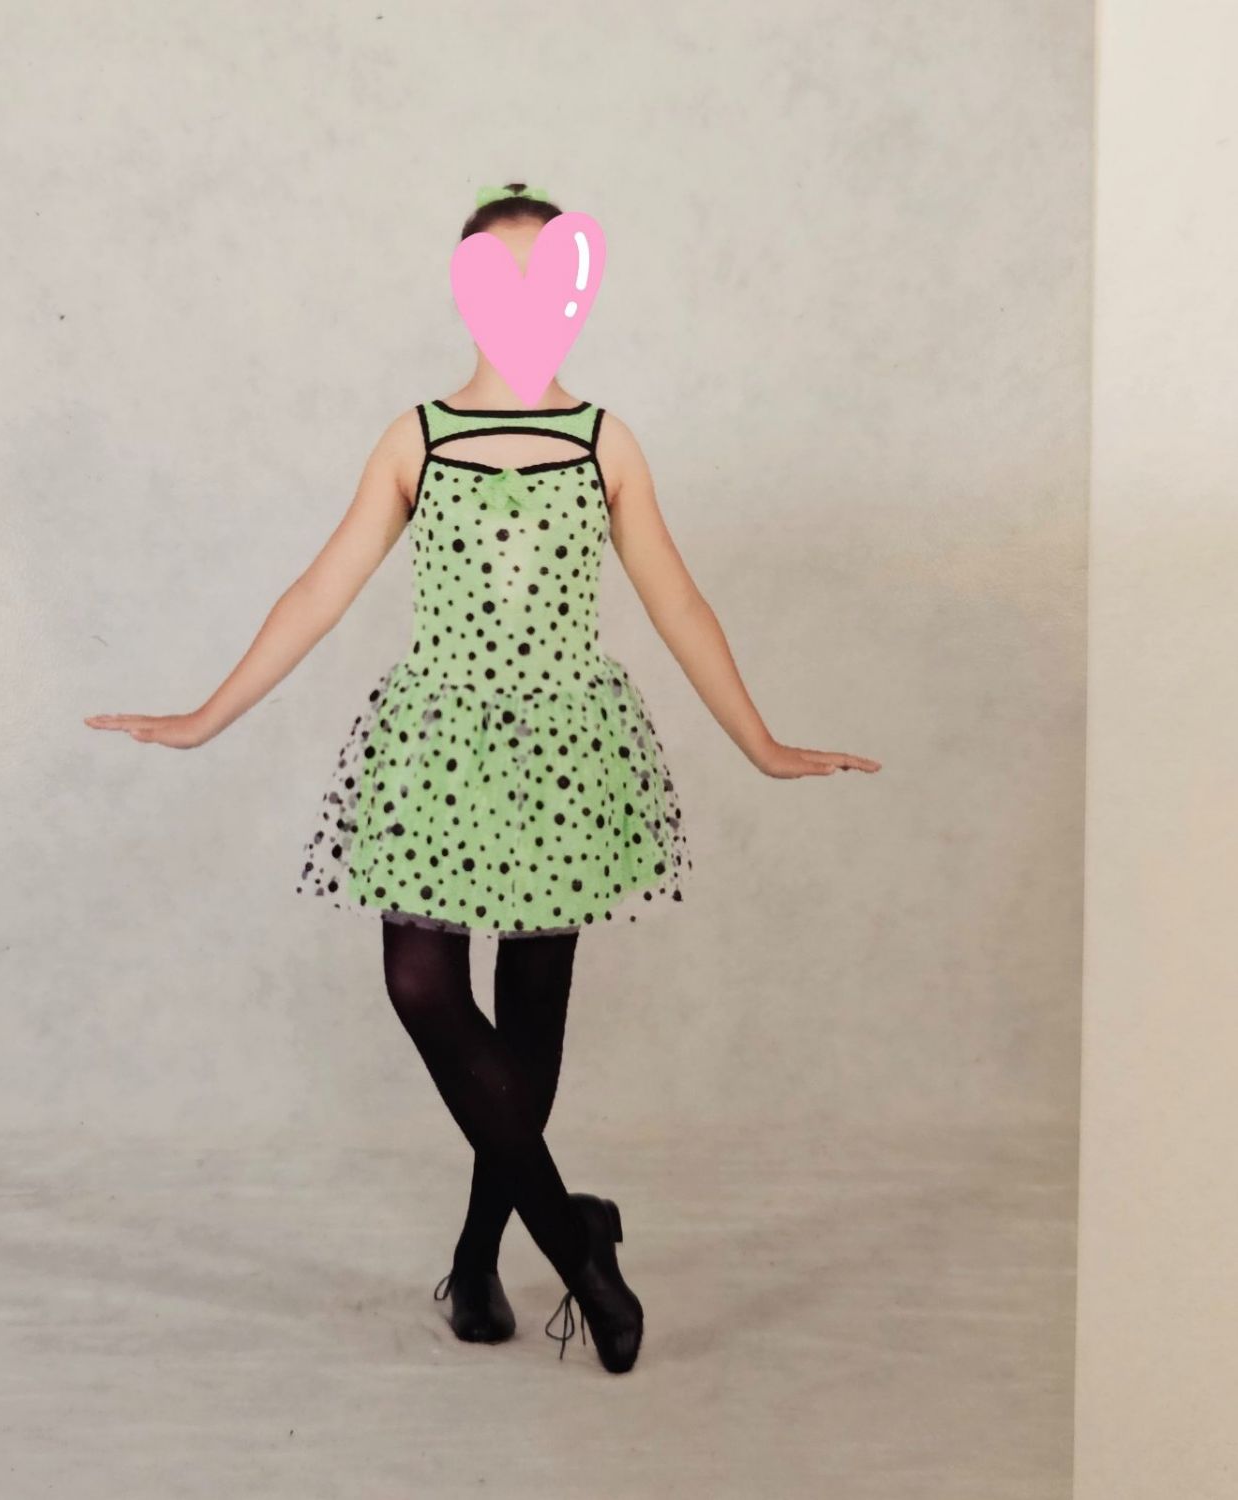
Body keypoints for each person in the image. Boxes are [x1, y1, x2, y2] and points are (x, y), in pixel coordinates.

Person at [86, 182, 881, 1375]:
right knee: (422, 984)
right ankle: (577, 1242)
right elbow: (319, 590)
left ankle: (475, 1262)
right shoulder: (417, 437)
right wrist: (207, 716)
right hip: (439, 745)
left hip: (566, 748)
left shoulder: (605, 440)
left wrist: (759, 742)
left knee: (531, 1012)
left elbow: (675, 599)